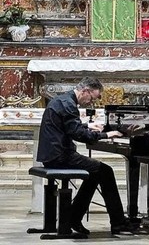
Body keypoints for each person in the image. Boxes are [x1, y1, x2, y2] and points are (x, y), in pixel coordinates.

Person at [36, 76, 136, 235]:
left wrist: (88, 125)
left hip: (53, 154)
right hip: (60, 156)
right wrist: (107, 134)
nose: (91, 103)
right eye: (92, 98)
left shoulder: (62, 101)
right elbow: (79, 135)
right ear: (85, 91)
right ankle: (118, 222)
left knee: (96, 173)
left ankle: (74, 217)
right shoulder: (69, 105)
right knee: (106, 171)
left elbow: (68, 126)